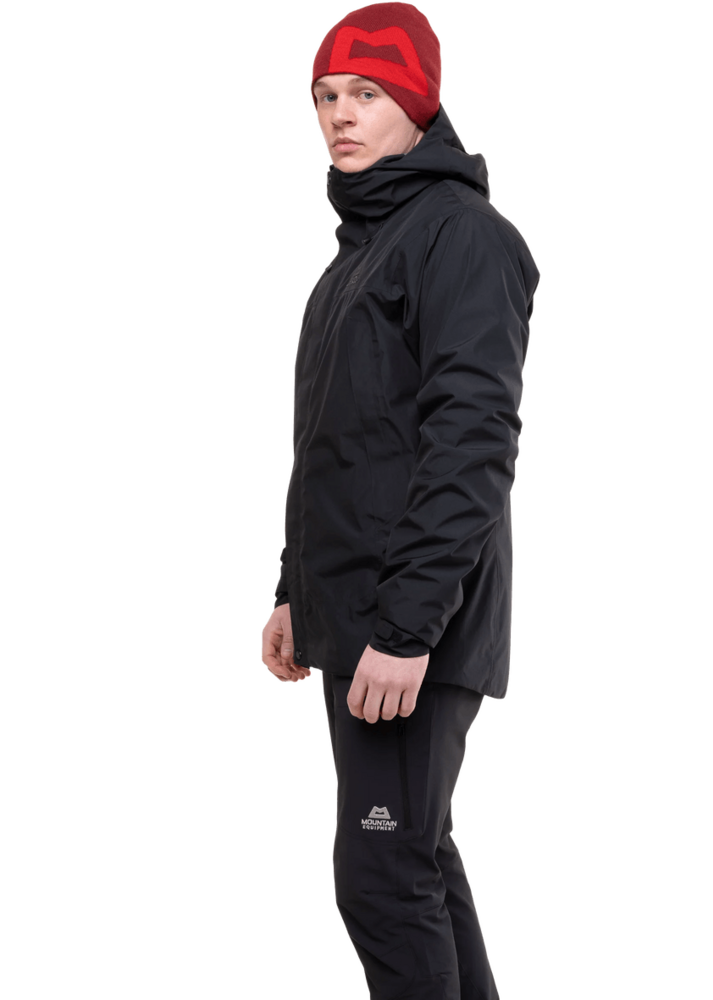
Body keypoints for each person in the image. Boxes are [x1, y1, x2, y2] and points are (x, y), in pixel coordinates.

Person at [260, 4, 539, 997]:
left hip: (409, 626)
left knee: (380, 878)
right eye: (325, 95)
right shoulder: (351, 263)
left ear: (418, 104)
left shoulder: (465, 238)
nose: (341, 115)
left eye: (367, 94)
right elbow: (332, 450)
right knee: (415, 859)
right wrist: (293, 593)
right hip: (358, 617)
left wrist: (408, 625)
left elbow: (474, 444)